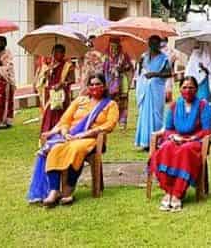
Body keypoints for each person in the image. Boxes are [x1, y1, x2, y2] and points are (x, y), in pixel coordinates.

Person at [26, 73, 118, 207]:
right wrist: (64, 133)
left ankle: (68, 189)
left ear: (104, 86)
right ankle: (54, 190)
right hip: (71, 136)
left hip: (92, 139)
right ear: (87, 87)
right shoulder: (80, 101)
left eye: (97, 84)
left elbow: (110, 125)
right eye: (91, 84)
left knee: (75, 149)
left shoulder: (110, 104)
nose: (94, 87)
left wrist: (87, 133)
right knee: (56, 148)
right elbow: (65, 120)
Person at [149, 76, 211, 211]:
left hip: (195, 142)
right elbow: (168, 129)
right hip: (176, 139)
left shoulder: (203, 106)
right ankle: (168, 191)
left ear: (196, 89)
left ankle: (177, 194)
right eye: (184, 87)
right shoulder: (174, 106)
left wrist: (191, 138)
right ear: (179, 89)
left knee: (186, 150)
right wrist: (174, 137)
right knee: (166, 147)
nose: (187, 90)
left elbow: (206, 130)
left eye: (191, 87)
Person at [135, 35, 171, 150]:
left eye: (156, 43)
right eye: (152, 43)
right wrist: (141, 68)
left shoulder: (164, 58)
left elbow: (168, 73)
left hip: (157, 88)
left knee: (157, 114)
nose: (154, 45)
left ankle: (157, 141)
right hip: (145, 88)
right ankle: (145, 141)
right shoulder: (144, 56)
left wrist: (155, 74)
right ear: (148, 44)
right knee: (144, 114)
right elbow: (140, 72)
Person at [40, 45, 75, 134]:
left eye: (58, 52)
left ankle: (60, 134)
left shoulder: (68, 65)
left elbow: (72, 79)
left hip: (62, 95)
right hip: (51, 94)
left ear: (63, 54)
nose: (55, 54)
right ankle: (47, 135)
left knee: (62, 115)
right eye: (54, 52)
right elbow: (43, 80)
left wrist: (62, 84)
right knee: (49, 114)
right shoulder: (50, 65)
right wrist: (47, 73)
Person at [102, 37, 134, 130]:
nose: (113, 49)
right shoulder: (106, 56)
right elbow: (103, 70)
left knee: (123, 103)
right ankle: (110, 122)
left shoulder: (124, 56)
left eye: (115, 46)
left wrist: (122, 69)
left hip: (121, 83)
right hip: (109, 83)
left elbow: (130, 68)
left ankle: (122, 122)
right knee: (110, 103)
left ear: (119, 46)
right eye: (111, 46)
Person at [183, 42, 211, 107]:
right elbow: (188, 73)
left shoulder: (206, 58)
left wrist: (203, 68)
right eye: (196, 46)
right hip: (194, 84)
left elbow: (210, 71)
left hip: (204, 84)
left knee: (204, 102)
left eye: (199, 46)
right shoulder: (193, 57)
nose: (197, 49)